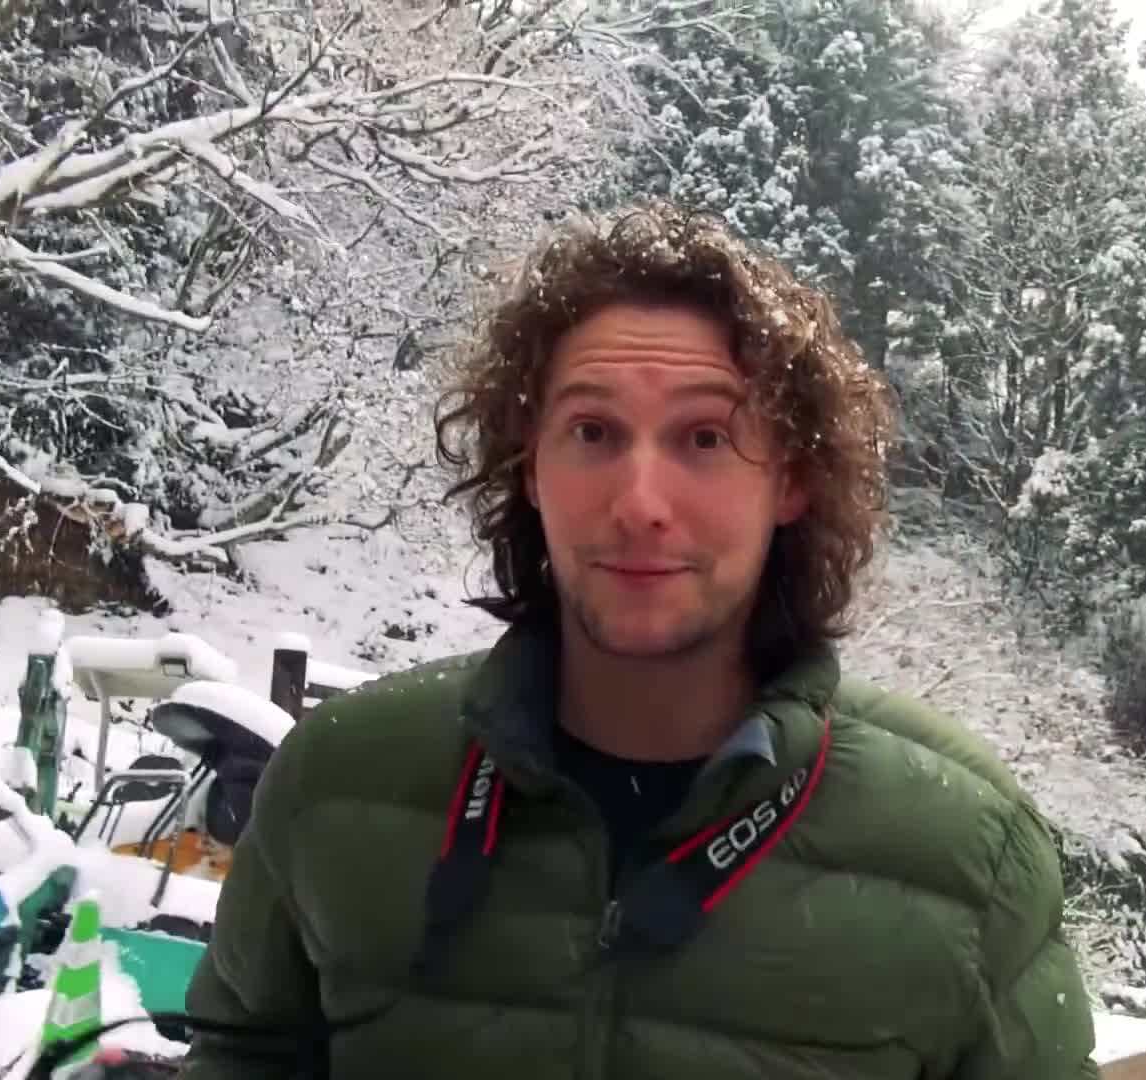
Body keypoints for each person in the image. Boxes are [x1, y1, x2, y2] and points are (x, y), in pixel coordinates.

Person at [178, 201, 1099, 1079]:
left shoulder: (969, 854)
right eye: (592, 432)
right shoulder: (337, 789)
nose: (640, 505)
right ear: (528, 467)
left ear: (792, 481)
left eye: (703, 438)